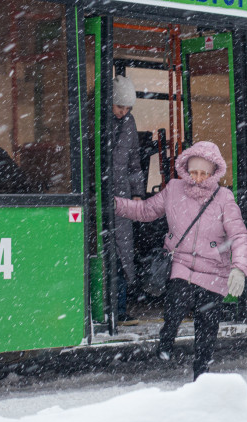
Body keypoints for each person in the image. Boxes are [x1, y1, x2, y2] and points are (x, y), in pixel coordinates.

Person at [115, 141, 247, 380]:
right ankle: (166, 341)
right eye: (194, 172)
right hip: (182, 262)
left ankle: (201, 375)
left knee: (207, 326)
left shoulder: (224, 198)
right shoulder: (174, 189)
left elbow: (238, 235)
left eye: (203, 173)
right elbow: (146, 210)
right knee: (176, 304)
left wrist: (239, 268)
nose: (198, 178)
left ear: (213, 173)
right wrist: (116, 205)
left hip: (214, 269)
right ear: (187, 170)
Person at [111, 75, 145, 325]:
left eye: (127, 108)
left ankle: (120, 309)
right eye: (119, 107)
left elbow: (135, 163)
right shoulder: (98, 122)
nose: (123, 112)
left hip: (122, 197)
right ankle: (107, 308)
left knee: (122, 253)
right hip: (102, 198)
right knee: (108, 252)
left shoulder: (129, 124)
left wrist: (137, 194)